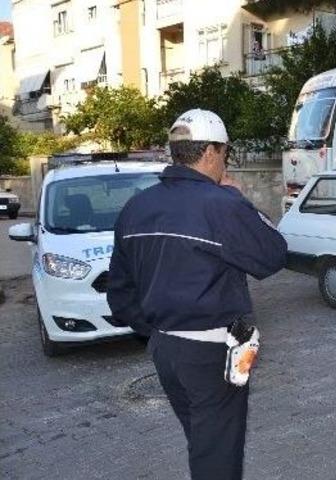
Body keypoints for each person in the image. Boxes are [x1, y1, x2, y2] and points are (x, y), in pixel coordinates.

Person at [107, 109, 289, 479]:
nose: (226, 160)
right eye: (225, 152)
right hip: (210, 351)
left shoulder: (136, 206)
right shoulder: (222, 204)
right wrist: (244, 202)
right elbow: (273, 255)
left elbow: (121, 294)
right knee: (217, 452)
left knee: (203, 439)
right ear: (209, 152)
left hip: (165, 348)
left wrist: (160, 330)